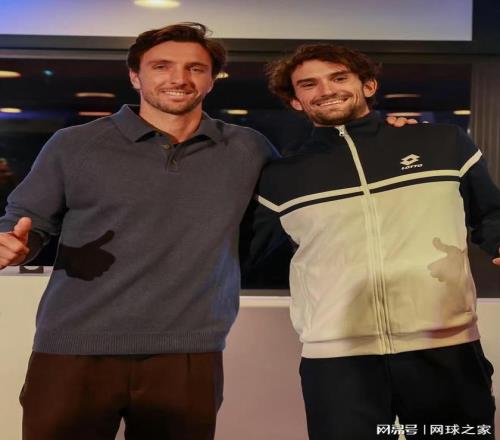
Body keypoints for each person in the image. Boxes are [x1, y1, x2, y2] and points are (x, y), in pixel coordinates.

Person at [0, 22, 278, 440]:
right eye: (161, 66)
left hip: (188, 350)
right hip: (75, 346)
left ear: (211, 80)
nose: (179, 78)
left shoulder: (247, 148)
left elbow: (295, 205)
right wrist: (17, 245)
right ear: (135, 76)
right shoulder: (74, 144)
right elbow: (27, 219)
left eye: (196, 68)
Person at [250, 43, 499, 439]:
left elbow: (490, 216)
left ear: (368, 85)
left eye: (339, 77)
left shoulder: (441, 143)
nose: (326, 90)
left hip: (445, 346)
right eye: (308, 84)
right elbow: (241, 254)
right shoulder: (282, 177)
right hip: (337, 359)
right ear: (295, 101)